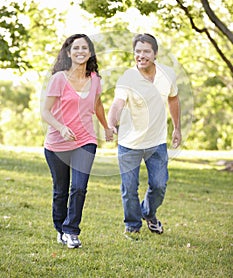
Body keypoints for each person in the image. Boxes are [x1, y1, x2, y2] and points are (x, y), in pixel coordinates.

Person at [41, 34, 113, 249]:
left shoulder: (95, 80)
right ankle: (60, 228)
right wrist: (61, 128)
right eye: (76, 48)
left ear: (90, 52)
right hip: (57, 144)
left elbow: (97, 105)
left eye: (85, 48)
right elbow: (45, 112)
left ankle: (72, 231)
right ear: (68, 52)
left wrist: (107, 126)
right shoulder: (59, 79)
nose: (80, 51)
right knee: (60, 190)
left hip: (85, 140)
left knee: (79, 187)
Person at [108, 33, 181, 238]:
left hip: (156, 142)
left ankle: (148, 213)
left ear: (155, 54)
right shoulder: (128, 77)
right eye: (138, 51)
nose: (141, 55)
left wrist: (177, 128)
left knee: (159, 185)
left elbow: (173, 99)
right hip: (129, 143)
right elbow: (117, 103)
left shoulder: (167, 75)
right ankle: (132, 225)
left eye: (146, 51)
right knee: (129, 188)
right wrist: (112, 122)